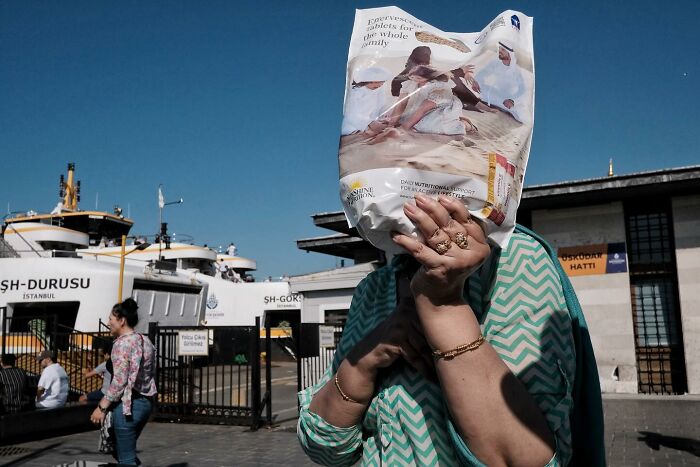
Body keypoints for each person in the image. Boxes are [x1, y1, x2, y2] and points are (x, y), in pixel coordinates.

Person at [298, 195, 605, 466]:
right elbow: (323, 447)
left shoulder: (517, 260)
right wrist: (364, 361)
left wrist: (441, 306)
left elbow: (527, 459)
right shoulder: (373, 288)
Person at [90, 298, 157, 466]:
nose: (108, 323)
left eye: (111, 320)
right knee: (124, 453)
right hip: (146, 403)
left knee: (125, 459)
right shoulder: (144, 340)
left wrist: (101, 407)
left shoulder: (121, 345)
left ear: (122, 321)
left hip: (128, 407)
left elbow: (119, 381)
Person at [384, 65, 471, 135]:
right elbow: (402, 103)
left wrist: (404, 128)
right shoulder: (410, 83)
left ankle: (466, 124)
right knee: (400, 119)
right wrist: (392, 122)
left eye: (419, 78)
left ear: (429, 77)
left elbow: (424, 108)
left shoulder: (438, 87)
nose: (415, 80)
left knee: (431, 127)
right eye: (412, 77)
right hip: (419, 105)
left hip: (440, 107)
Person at [341, 66, 393, 136]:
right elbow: (351, 114)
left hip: (372, 119)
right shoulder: (355, 93)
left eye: (382, 82)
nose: (380, 85)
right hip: (355, 122)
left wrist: (384, 115)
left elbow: (381, 105)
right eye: (377, 82)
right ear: (366, 81)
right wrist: (369, 123)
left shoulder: (379, 90)